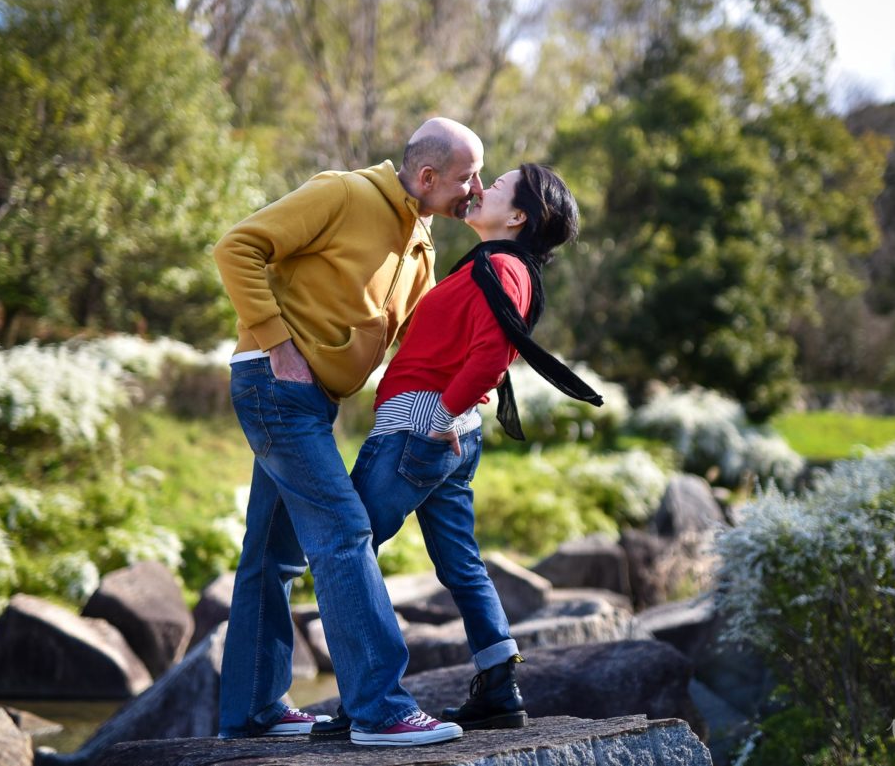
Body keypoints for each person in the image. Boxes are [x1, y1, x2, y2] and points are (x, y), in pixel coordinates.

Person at [212, 118, 484, 746]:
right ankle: (379, 709)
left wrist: (445, 406)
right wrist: (278, 345)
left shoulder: (421, 244)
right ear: (426, 176)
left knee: (271, 554)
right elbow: (238, 247)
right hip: (272, 383)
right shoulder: (342, 193)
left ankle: (254, 709)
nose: (475, 189)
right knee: (343, 530)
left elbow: (416, 344)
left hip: (311, 402)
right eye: (467, 177)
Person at [312, 164, 602, 738]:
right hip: (445, 434)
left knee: (347, 550)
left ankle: (372, 699)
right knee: (461, 563)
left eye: (498, 185)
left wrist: (442, 412)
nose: (483, 186)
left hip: (419, 429)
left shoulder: (501, 266)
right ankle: (498, 687)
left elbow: (493, 353)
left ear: (517, 217)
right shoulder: (500, 267)